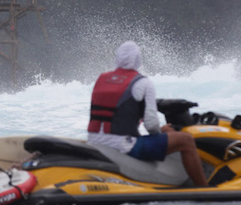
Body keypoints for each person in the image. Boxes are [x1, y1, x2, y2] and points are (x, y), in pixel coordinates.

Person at [87, 41, 208, 187]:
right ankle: (205, 190)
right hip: (124, 146)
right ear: (138, 60)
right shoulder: (143, 82)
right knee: (186, 140)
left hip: (95, 140)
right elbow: (151, 126)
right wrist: (163, 132)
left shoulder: (101, 79)